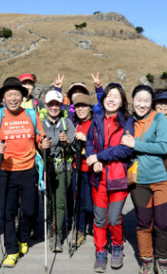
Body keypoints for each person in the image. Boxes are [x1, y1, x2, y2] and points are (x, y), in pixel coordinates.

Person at [0, 77, 51, 268]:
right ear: (3, 99)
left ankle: (23, 238)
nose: (13, 98)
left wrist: (44, 143)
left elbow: (40, 138)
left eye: (16, 94)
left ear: (22, 97)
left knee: (30, 211)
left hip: (29, 170)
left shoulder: (31, 115)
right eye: (9, 95)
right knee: (8, 213)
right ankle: (11, 250)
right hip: (6, 172)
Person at [120, 85, 167, 274]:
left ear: (152, 103)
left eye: (146, 101)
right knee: (143, 222)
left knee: (163, 223)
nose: (142, 104)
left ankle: (163, 258)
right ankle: (147, 258)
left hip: (162, 179)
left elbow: (163, 147)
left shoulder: (159, 119)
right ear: (132, 100)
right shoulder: (128, 121)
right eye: (138, 100)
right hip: (138, 181)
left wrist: (136, 144)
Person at [85, 83, 134, 273]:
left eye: (116, 96)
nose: (111, 99)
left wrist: (99, 156)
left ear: (122, 101)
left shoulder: (127, 121)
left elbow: (124, 149)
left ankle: (117, 246)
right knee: (99, 219)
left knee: (114, 219)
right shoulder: (96, 119)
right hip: (99, 178)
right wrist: (93, 160)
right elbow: (89, 143)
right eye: (108, 95)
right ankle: (100, 251)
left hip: (119, 178)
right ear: (103, 99)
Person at [41, 90, 75, 252]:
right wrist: (42, 146)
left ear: (61, 106)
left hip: (63, 167)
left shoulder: (67, 123)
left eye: (57, 104)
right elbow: (34, 146)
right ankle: (49, 226)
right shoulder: (40, 124)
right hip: (46, 167)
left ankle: (57, 235)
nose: (54, 107)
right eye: (51, 104)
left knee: (60, 203)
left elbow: (75, 146)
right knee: (48, 201)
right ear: (46, 105)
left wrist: (67, 142)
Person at [70, 94, 95, 248]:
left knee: (89, 204)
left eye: (84, 106)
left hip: (92, 169)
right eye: (78, 106)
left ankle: (94, 226)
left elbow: (102, 143)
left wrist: (86, 139)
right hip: (77, 168)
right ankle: (80, 231)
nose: (80, 109)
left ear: (90, 108)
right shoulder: (75, 124)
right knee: (78, 201)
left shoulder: (95, 123)